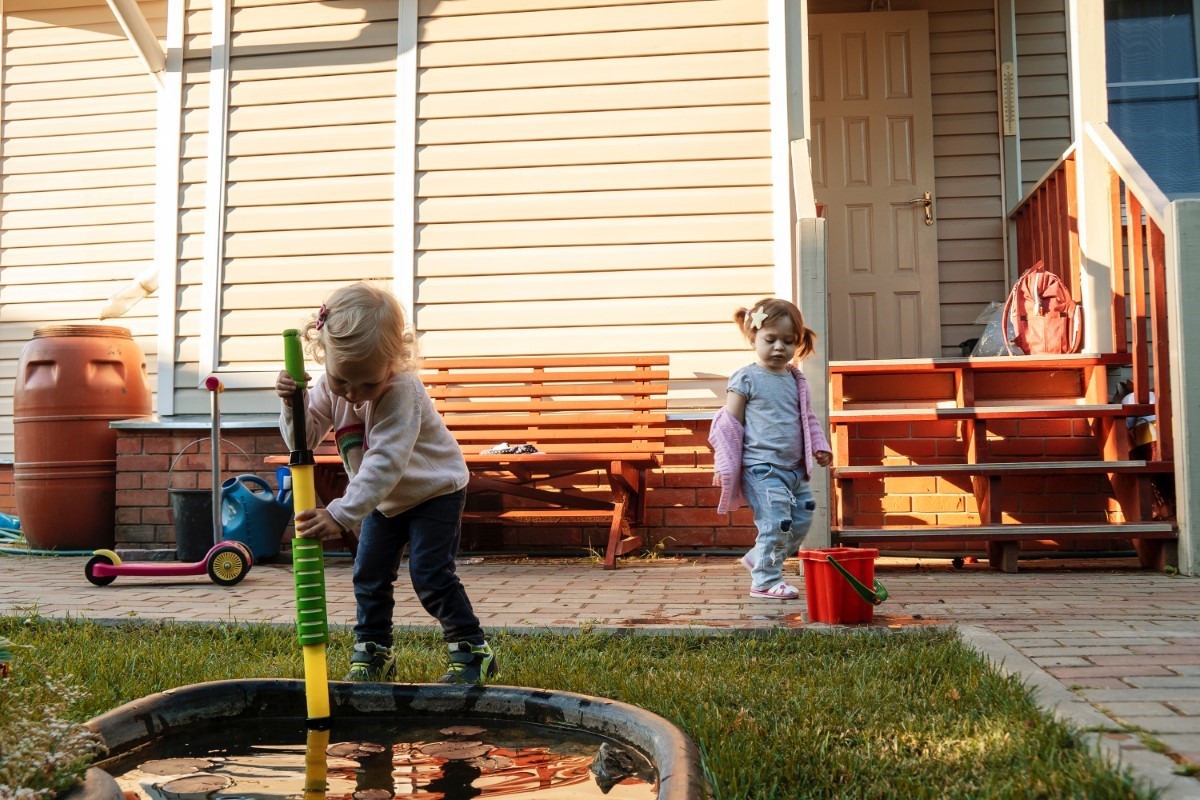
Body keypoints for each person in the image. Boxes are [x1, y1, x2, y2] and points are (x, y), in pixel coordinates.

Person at [275, 281, 497, 684]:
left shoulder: (402, 390)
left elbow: (385, 462)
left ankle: (471, 649)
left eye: (368, 385)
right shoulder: (329, 386)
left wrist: (340, 513)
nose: (355, 394)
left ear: (395, 361)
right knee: (369, 573)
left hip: (434, 490)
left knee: (430, 573)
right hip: (383, 499)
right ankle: (374, 650)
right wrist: (295, 405)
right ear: (324, 356)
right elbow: (301, 443)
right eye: (343, 381)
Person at [708, 298, 833, 600]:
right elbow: (729, 425)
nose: (779, 347)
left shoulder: (795, 378)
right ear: (753, 338)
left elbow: (807, 418)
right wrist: (722, 464)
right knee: (777, 522)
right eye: (771, 339)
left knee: (801, 519)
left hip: (793, 470)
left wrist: (819, 445)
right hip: (762, 469)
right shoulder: (746, 378)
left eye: (788, 341)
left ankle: (757, 557)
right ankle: (764, 580)